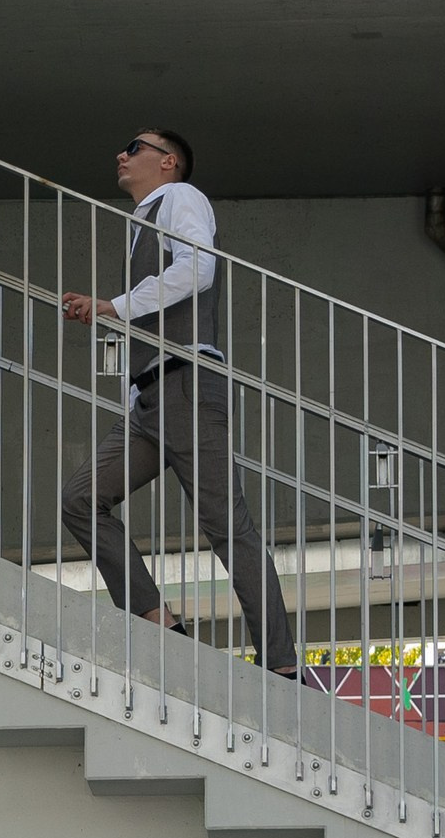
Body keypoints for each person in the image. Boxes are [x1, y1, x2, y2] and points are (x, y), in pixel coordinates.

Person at [58, 125, 306, 678]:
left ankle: (283, 667)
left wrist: (110, 307)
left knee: (226, 528)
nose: (121, 154)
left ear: (168, 162)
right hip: (152, 399)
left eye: (135, 146)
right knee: (81, 498)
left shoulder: (181, 198)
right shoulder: (142, 219)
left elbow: (198, 268)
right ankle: (155, 619)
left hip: (188, 384)